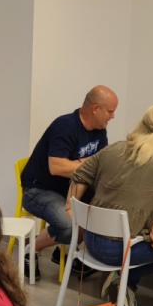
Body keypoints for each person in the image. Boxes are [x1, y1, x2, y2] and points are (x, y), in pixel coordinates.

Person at [69, 104, 153, 306]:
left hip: (90, 240)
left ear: (141, 123)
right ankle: (125, 282)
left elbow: (79, 174)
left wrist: (72, 207)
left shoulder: (114, 149)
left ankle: (122, 283)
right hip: (121, 249)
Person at [21, 85, 118, 275]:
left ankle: (64, 253)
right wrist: (87, 163)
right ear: (95, 109)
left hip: (69, 189)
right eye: (110, 111)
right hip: (39, 190)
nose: (113, 116)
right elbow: (56, 167)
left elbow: (99, 165)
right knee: (68, 225)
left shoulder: (100, 130)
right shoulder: (65, 126)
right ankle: (31, 250)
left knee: (104, 211)